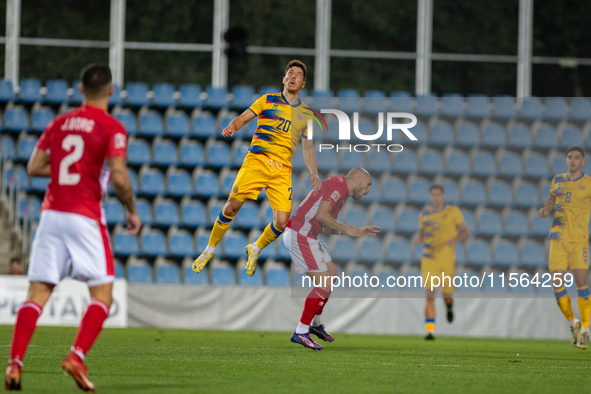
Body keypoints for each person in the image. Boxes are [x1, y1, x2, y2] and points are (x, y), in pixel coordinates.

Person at [4, 64, 141, 392]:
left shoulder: (59, 122)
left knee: (37, 294)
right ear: (110, 91)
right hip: (85, 215)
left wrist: (69, 171)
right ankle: (76, 356)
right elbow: (119, 177)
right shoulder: (112, 127)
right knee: (102, 296)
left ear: (80, 90)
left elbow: (34, 166)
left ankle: (14, 364)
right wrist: (131, 210)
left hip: (51, 214)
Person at [193, 59, 320, 277]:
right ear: (283, 79)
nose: (293, 76)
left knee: (282, 222)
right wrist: (232, 126)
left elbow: (308, 149)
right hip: (257, 160)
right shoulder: (267, 100)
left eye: (298, 74)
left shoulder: (306, 115)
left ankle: (256, 248)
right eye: (290, 73)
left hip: (281, 169)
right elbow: (243, 117)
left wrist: (314, 173)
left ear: (303, 84)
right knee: (231, 207)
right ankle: (209, 250)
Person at [283, 168, 380, 350]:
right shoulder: (338, 186)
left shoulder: (341, 194)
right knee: (324, 284)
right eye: (368, 186)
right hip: (300, 233)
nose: (368, 191)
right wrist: (347, 227)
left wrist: (355, 230)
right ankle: (301, 331)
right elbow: (321, 215)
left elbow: (326, 227)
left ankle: (315, 323)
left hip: (309, 235)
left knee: (332, 276)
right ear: (357, 180)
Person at [538, 145, 591, 350]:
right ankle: (573, 323)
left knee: (581, 284)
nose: (572, 161)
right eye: (570, 157)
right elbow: (552, 197)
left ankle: (585, 330)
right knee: (557, 285)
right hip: (557, 240)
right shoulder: (558, 179)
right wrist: (545, 210)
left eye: (577, 158)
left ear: (583, 161)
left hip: (578, 242)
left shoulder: (588, 183)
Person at [413, 184, 470, 340]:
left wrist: (455, 239)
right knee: (430, 295)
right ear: (430, 197)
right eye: (433, 195)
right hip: (429, 259)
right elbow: (422, 233)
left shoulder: (453, 212)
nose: (435, 197)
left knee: (446, 293)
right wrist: (418, 239)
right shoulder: (424, 214)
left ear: (443, 196)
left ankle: (449, 306)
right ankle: (430, 331)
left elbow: (466, 232)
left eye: (438, 194)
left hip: (446, 260)